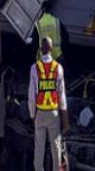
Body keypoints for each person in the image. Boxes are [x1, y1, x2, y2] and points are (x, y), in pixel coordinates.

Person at [29, 37, 69, 171]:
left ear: (41, 49)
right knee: (56, 147)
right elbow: (62, 96)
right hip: (53, 113)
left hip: (40, 112)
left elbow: (31, 95)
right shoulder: (58, 68)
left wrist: (32, 114)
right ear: (51, 49)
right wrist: (64, 119)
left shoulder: (34, 68)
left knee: (39, 147)